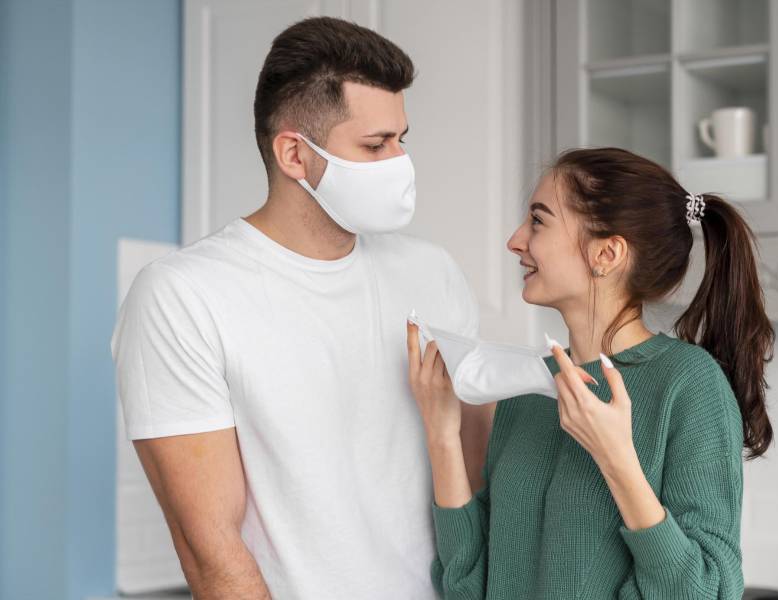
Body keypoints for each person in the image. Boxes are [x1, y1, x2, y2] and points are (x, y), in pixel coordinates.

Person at [111, 16, 493, 599]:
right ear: (294, 153)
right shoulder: (182, 296)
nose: (400, 162)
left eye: (401, 139)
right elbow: (211, 551)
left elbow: (476, 474)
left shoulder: (432, 273)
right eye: (375, 145)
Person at [407, 147, 775, 598]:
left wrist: (617, 459)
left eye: (538, 221)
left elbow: (708, 592)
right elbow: (468, 587)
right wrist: (442, 436)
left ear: (607, 253)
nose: (515, 241)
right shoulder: (529, 387)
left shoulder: (688, 385)